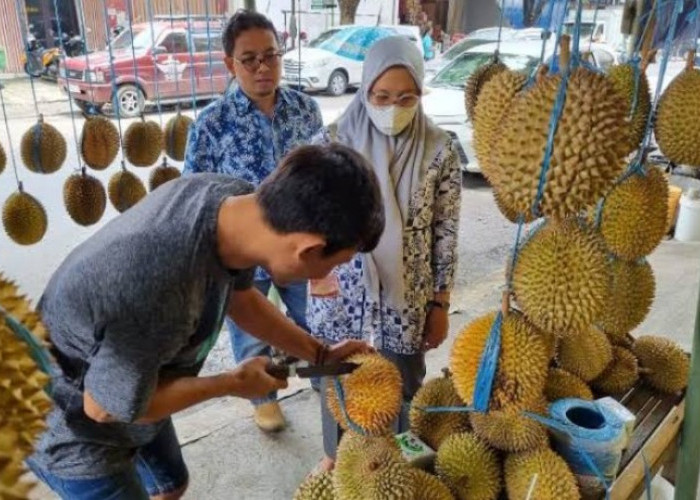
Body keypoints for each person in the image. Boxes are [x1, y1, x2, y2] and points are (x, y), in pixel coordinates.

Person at [26, 144, 384, 500]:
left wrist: (320, 354)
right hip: (72, 427)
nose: (330, 273)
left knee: (169, 485)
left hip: (137, 375)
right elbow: (104, 408)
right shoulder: (158, 283)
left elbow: (240, 297)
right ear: (307, 248)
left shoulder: (233, 203)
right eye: (337, 262)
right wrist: (230, 383)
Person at [307, 36, 462, 471]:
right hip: (341, 294)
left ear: (420, 95)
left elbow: (445, 235)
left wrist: (440, 303)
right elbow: (307, 219)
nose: (393, 107)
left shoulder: (440, 150)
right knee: (337, 382)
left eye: (406, 97)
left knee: (403, 382)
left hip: (406, 298)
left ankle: (392, 465)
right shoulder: (330, 143)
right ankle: (336, 459)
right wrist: (318, 279)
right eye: (382, 96)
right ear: (365, 91)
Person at [184, 10, 324, 432]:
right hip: (244, 255)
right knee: (250, 329)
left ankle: (323, 377)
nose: (263, 67)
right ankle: (262, 396)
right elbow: (195, 197)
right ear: (230, 64)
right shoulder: (210, 125)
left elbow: (323, 178)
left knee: (314, 317)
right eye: (249, 59)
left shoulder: (306, 109)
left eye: (271, 55)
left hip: (301, 245)